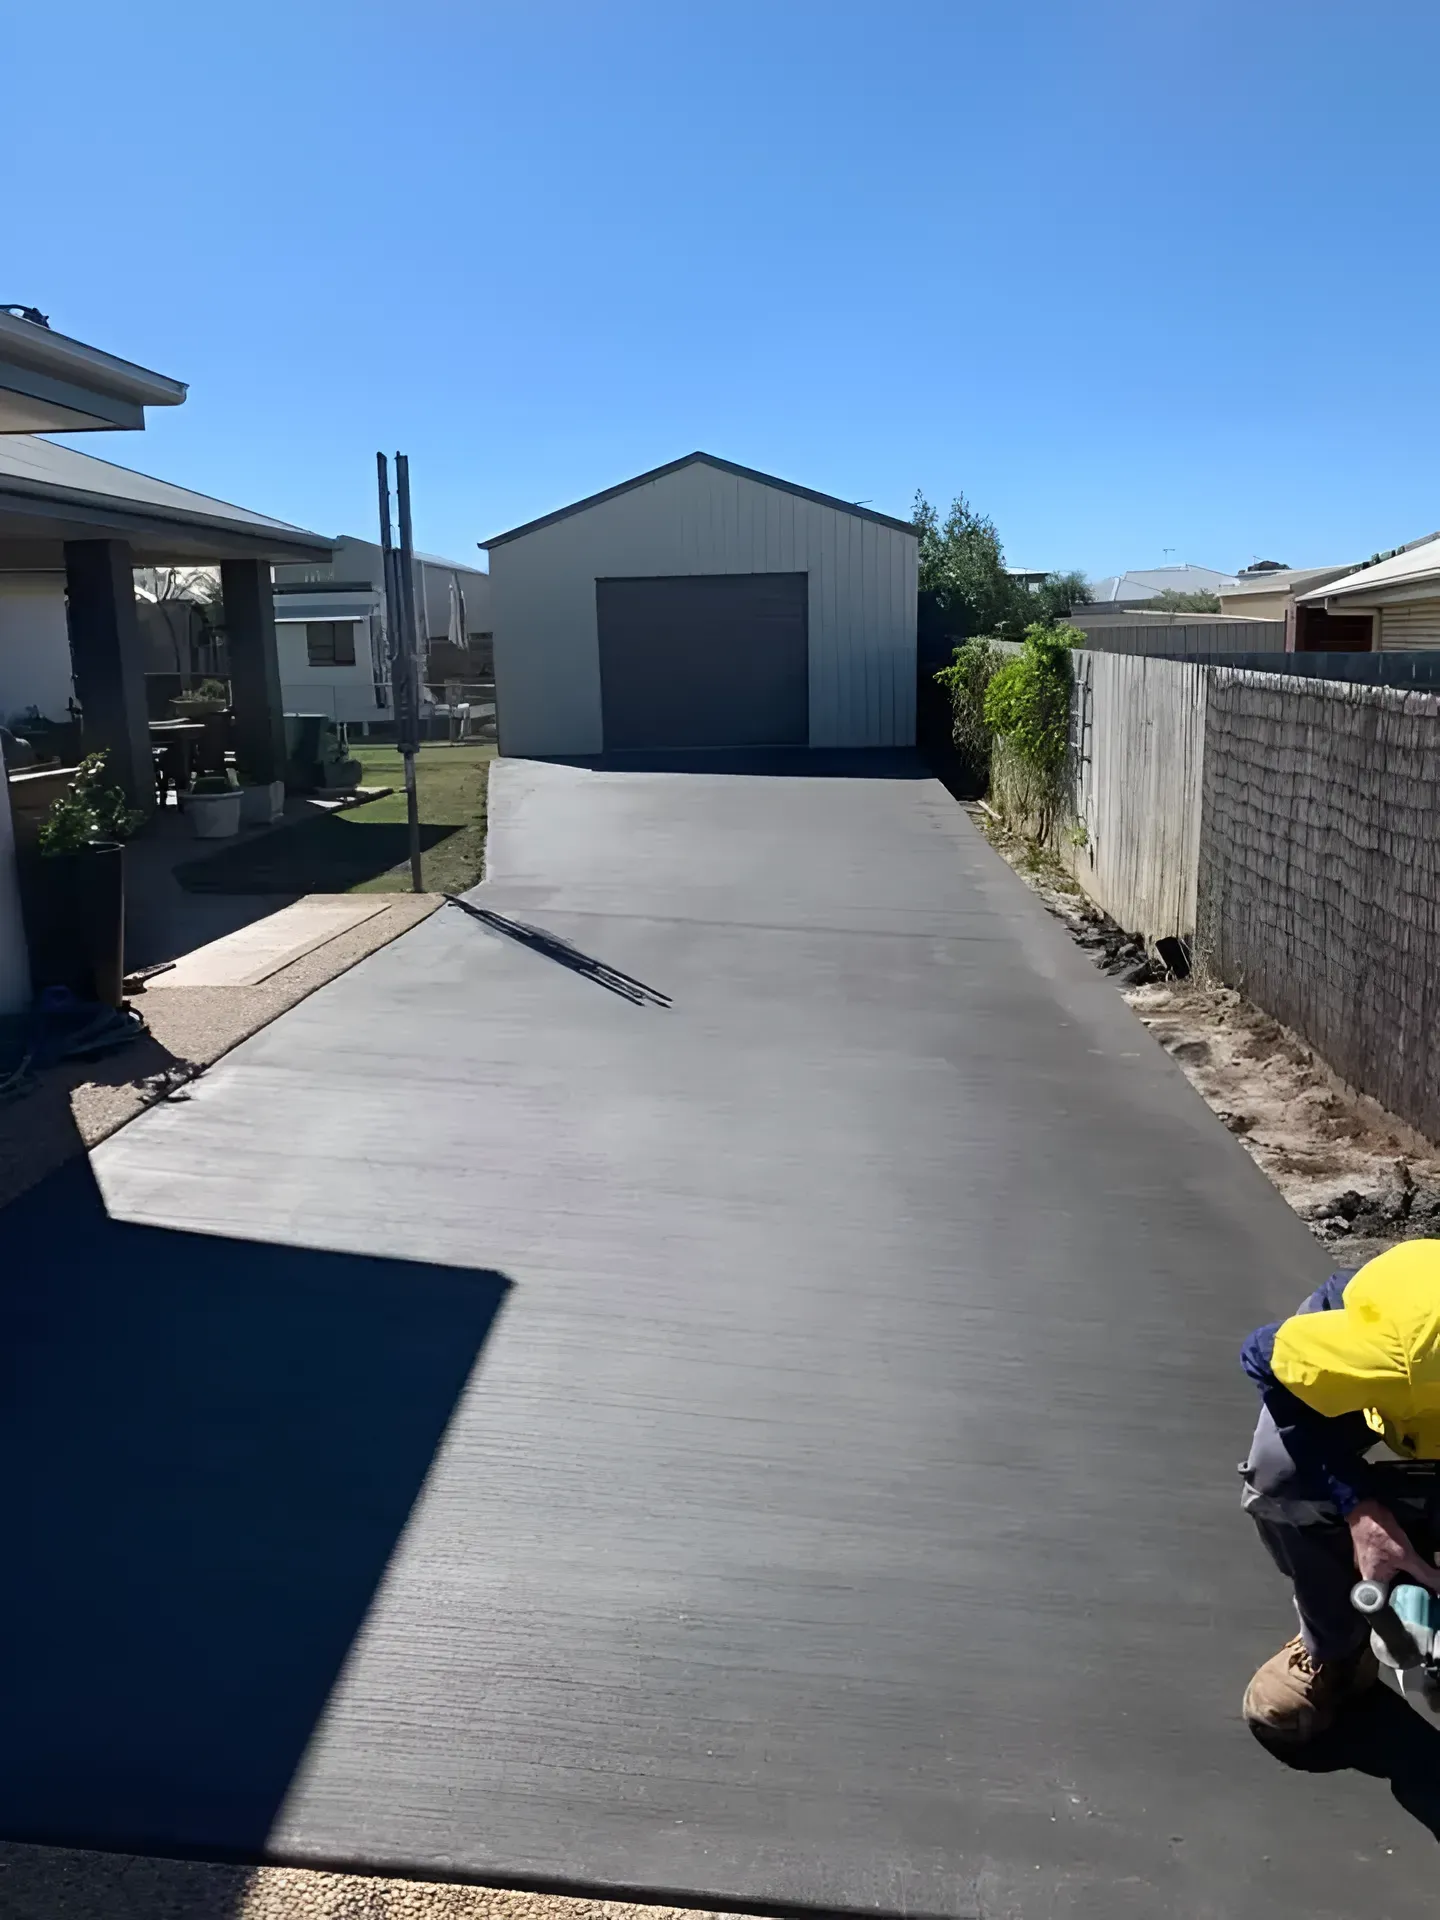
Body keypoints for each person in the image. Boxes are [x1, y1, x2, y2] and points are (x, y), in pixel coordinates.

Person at [1240, 1239, 1440, 1743]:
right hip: (1379, 1358)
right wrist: (1360, 1509)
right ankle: (1333, 1650)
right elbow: (1262, 1356)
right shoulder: (1397, 1353)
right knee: (1284, 1476)